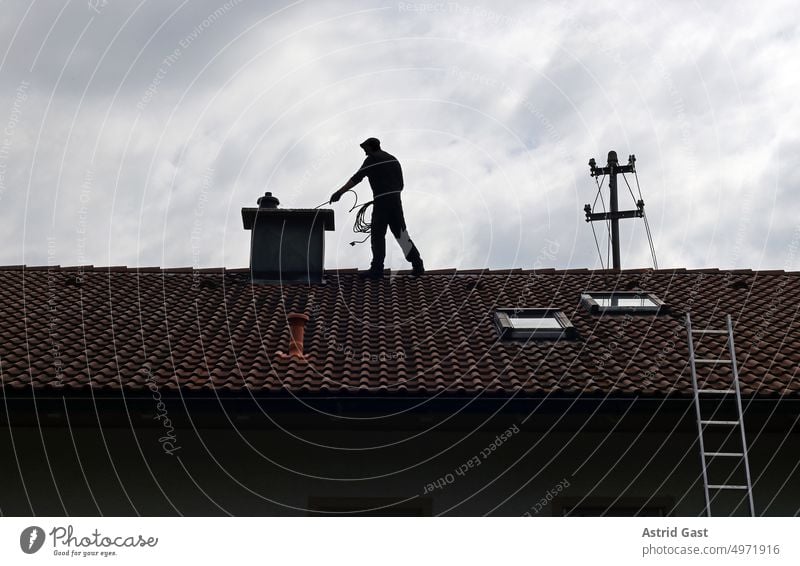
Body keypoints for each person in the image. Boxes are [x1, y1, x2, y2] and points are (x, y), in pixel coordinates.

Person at [330, 138, 424, 279]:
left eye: (365, 148)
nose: (365, 152)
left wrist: (339, 192)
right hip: (396, 202)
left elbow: (357, 177)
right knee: (401, 235)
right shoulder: (393, 160)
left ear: (371, 147)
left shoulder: (371, 159)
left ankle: (377, 269)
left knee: (377, 235)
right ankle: (417, 265)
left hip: (382, 203)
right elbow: (401, 185)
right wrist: (390, 193)